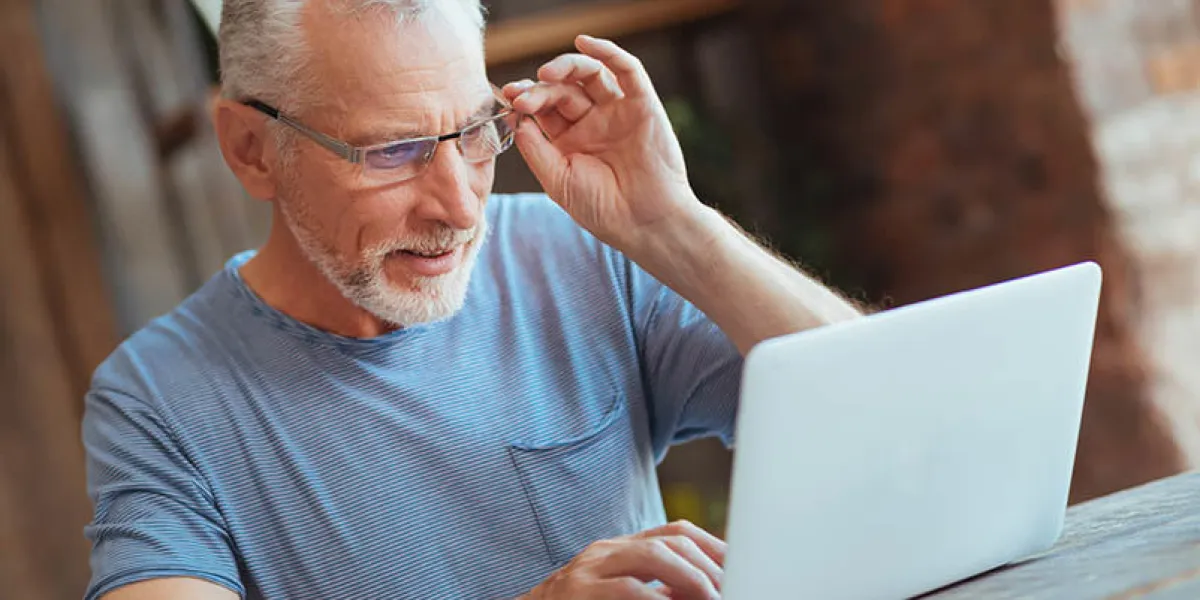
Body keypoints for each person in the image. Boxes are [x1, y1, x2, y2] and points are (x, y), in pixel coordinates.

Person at [81, 0, 861, 598]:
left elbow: (878, 414)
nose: (459, 208)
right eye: (393, 151)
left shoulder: (583, 254)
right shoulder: (158, 401)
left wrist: (676, 227)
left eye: (478, 131)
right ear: (252, 149)